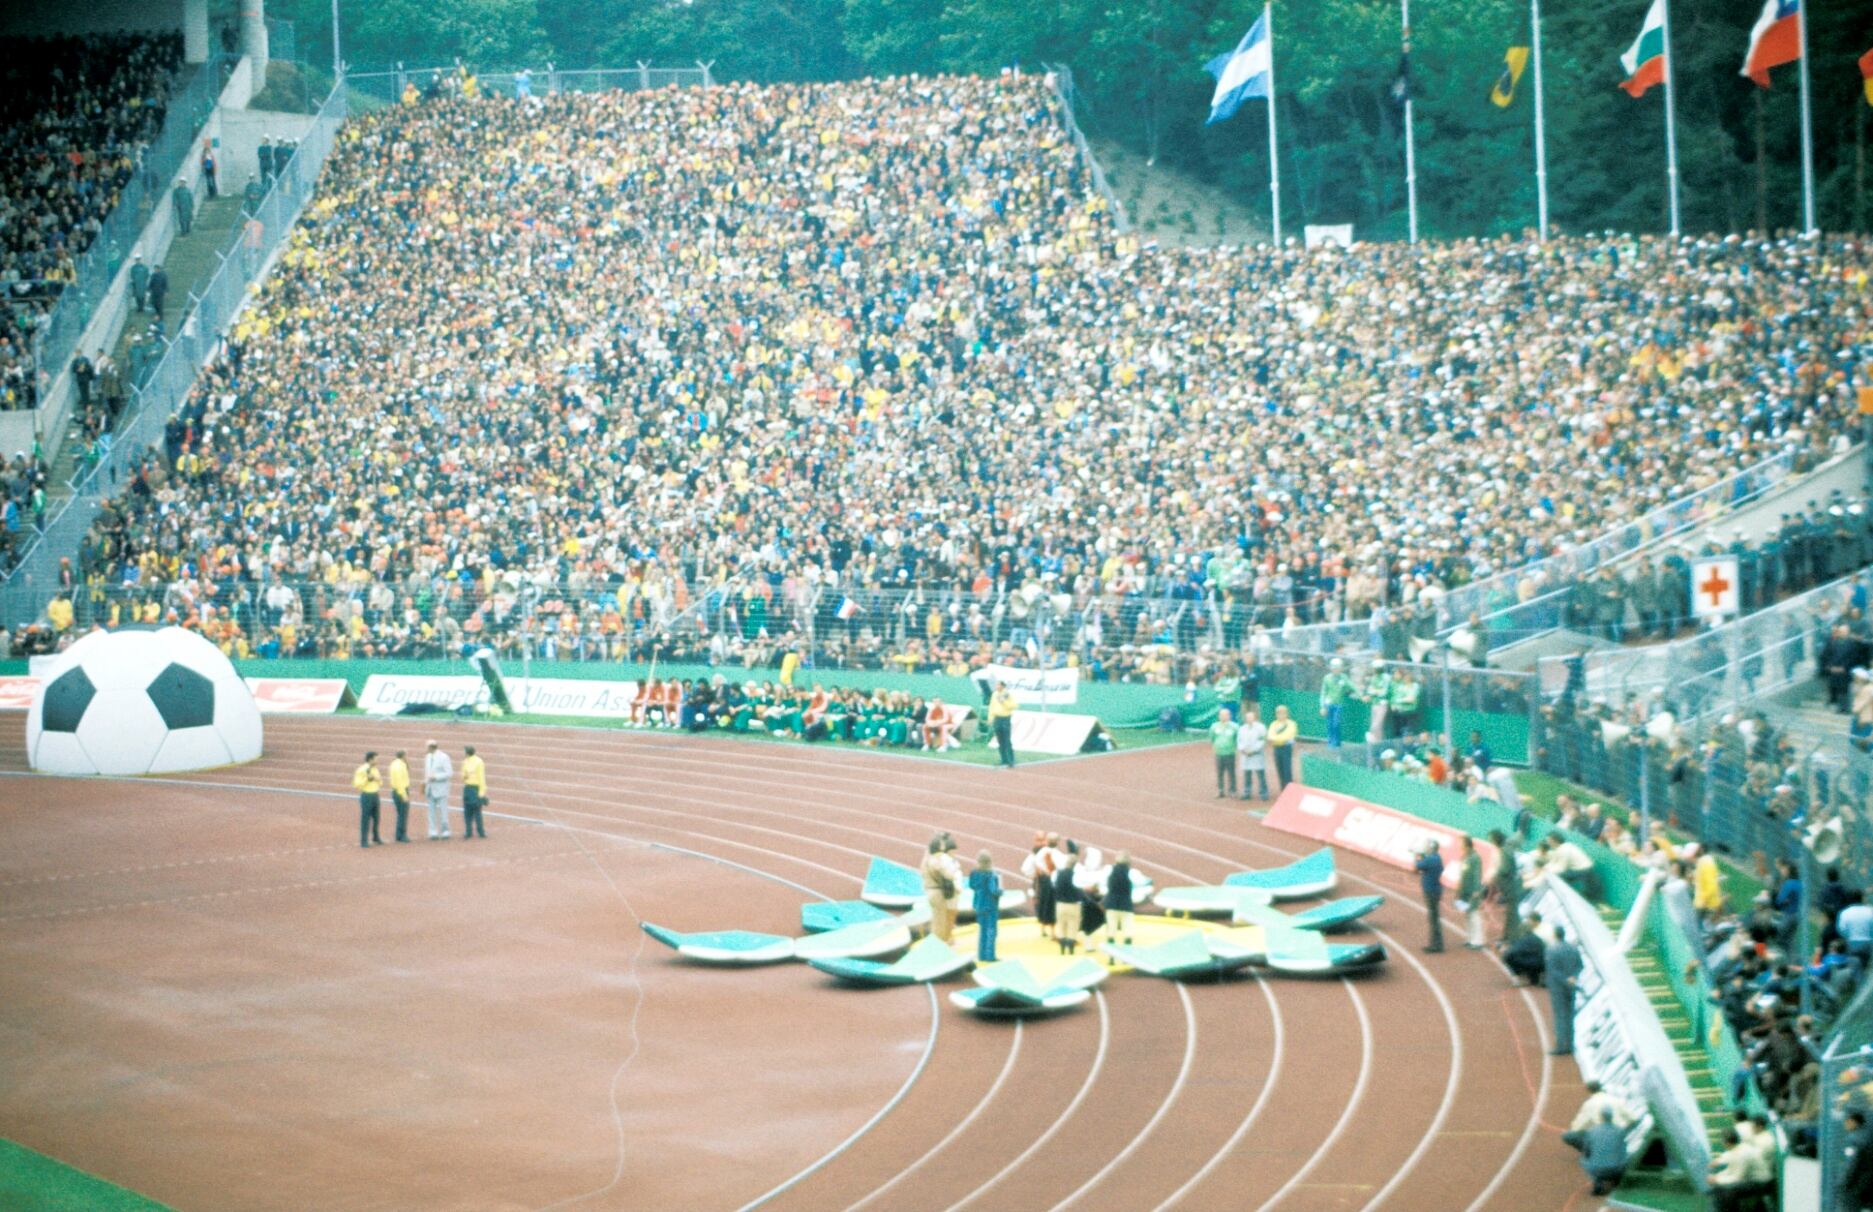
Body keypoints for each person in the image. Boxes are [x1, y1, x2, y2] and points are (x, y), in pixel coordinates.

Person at [1547, 925, 1584, 1055]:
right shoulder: (1573, 949)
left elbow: (1553, 970)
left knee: (1560, 1016)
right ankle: (1570, 1044)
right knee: (1569, 1015)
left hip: (1558, 987)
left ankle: (1561, 1045)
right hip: (1572, 987)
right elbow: (1580, 965)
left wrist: (1565, 979)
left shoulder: (1551, 950)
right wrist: (1573, 977)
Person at [1577, 1107, 1629, 1196]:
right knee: (1626, 1155)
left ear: (1601, 1117)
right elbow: (1624, 1149)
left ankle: (1597, 1182)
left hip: (1596, 1170)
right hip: (1616, 1168)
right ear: (1612, 1117)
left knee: (1582, 1160)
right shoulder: (1619, 1130)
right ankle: (1617, 1179)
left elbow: (1586, 1151)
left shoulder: (1592, 1131)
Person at [920, 835, 960, 943]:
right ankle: (939, 945)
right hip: (937, 893)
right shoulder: (935, 861)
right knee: (940, 923)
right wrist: (954, 867)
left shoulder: (926, 861)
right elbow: (949, 875)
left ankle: (939, 942)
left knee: (936, 920)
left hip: (930, 891)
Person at [1489, 828, 1524, 941]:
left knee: (1512, 916)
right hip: (1511, 887)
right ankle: (1507, 937)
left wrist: (1495, 875)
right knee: (1510, 914)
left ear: (1495, 840)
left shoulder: (1505, 851)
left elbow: (1505, 870)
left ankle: (1513, 939)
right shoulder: (1506, 849)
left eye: (1491, 839)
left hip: (1511, 888)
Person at [1023, 832, 1060, 939]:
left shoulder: (1050, 852)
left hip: (1050, 882)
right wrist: (1036, 874)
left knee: (1051, 906)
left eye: (1043, 840)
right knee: (1043, 905)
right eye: (1039, 840)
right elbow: (1026, 868)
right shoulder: (1035, 854)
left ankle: (1051, 931)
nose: (1041, 842)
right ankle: (1044, 929)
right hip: (1042, 883)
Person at [968, 851, 1001, 962]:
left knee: (982, 931)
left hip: (979, 904)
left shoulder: (974, 873)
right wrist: (1000, 892)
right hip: (990, 905)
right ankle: (990, 955)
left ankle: (981, 955)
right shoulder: (991, 875)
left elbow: (972, 886)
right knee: (991, 931)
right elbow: (994, 891)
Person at [1414, 838, 1446, 953]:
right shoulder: (1437, 858)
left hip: (1431, 891)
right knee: (1434, 918)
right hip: (1435, 890)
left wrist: (1416, 857)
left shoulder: (1430, 859)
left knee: (1433, 918)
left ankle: (1436, 945)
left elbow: (1416, 868)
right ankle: (1437, 943)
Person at [1456, 835, 1486, 949]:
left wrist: (1476, 890)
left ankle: (1478, 941)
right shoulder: (1466, 856)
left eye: (1461, 843)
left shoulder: (1475, 857)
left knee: (1474, 915)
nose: (1459, 845)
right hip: (1464, 890)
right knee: (1468, 914)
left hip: (1472, 891)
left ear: (1467, 844)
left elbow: (1477, 875)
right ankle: (1470, 938)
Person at [1502, 911, 1547, 984]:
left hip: (1541, 960)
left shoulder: (1538, 933)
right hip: (1540, 959)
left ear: (1536, 921)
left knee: (1509, 955)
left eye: (1529, 920)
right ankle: (1533, 975)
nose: (1528, 922)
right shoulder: (1533, 932)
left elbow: (1518, 948)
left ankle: (1525, 975)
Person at [1235, 704, 1269, 801]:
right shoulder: (1242, 728)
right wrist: (1243, 750)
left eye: (1251, 718)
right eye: (1247, 718)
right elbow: (1239, 740)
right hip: (1245, 755)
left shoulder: (1261, 727)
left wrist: (1253, 750)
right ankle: (1247, 792)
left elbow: (1262, 740)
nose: (1249, 719)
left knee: (1260, 774)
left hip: (1256, 755)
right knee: (1247, 774)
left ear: (1255, 718)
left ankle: (1264, 793)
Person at [1053, 852, 1084, 954]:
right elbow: (1080, 890)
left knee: (1061, 926)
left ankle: (1062, 949)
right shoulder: (1077, 876)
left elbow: (1055, 887)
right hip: (1073, 905)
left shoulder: (1058, 874)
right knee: (1073, 927)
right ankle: (1071, 949)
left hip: (1060, 904)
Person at [350, 751, 382, 848]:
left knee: (377, 818)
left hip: (375, 794)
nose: (378, 760)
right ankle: (364, 840)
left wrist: (376, 779)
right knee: (365, 819)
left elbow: (380, 782)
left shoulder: (375, 769)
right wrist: (367, 779)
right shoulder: (361, 770)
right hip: (367, 795)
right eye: (376, 758)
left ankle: (375, 836)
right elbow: (356, 784)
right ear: (370, 759)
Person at [423, 740, 453, 840]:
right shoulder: (427, 757)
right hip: (430, 788)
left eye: (427, 747)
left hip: (441, 788)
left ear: (432, 747)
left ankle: (445, 830)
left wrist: (436, 777)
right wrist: (425, 783)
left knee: (443, 810)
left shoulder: (444, 757)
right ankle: (432, 831)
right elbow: (427, 772)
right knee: (431, 810)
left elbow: (449, 773)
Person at [1106, 851, 1136, 946]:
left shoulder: (1109, 870)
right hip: (1126, 905)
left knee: (1111, 930)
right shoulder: (1132, 873)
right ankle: (1126, 956)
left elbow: (1105, 886)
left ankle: (1111, 957)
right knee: (1128, 931)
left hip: (1111, 904)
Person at [1267, 704, 1298, 792]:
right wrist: (1278, 739)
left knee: (1287, 770)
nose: (1280, 714)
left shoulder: (1291, 724)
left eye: (1282, 713)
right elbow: (1270, 736)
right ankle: (1283, 790)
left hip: (1286, 748)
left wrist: (1276, 738)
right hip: (1276, 748)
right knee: (1279, 769)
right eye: (1278, 713)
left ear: (1286, 713)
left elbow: (1288, 736)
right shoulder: (1273, 724)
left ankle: (1290, 790)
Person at [1209, 706, 1237, 798]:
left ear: (1229, 716)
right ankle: (1220, 790)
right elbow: (1212, 738)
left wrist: (1234, 748)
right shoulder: (1214, 726)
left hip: (1230, 753)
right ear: (1219, 716)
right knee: (1219, 773)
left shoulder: (1235, 726)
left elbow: (1237, 739)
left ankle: (1232, 791)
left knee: (1231, 773)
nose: (1223, 717)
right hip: (1219, 753)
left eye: (1225, 715)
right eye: (1221, 715)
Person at [461, 744, 487, 838]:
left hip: (471, 788)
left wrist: (481, 793)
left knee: (471, 812)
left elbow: (464, 777)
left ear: (467, 753)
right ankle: (479, 832)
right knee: (474, 812)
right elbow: (464, 776)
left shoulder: (476, 762)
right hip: (471, 788)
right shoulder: (472, 761)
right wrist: (482, 792)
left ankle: (470, 832)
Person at [988, 682, 1017, 768]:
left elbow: (1014, 706)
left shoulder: (1007, 694)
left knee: (1007, 740)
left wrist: (1004, 702)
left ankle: (1011, 760)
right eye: (996, 685)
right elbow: (992, 706)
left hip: (1005, 718)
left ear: (1003, 686)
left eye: (998, 685)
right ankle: (1003, 759)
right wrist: (990, 718)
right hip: (997, 718)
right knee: (1000, 740)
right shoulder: (994, 694)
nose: (996, 686)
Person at [387, 748, 412, 842]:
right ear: (403, 756)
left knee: (400, 814)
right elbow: (400, 782)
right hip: (401, 791)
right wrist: (404, 795)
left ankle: (398, 834)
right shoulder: (399, 766)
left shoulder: (395, 763)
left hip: (396, 791)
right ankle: (402, 835)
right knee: (403, 814)